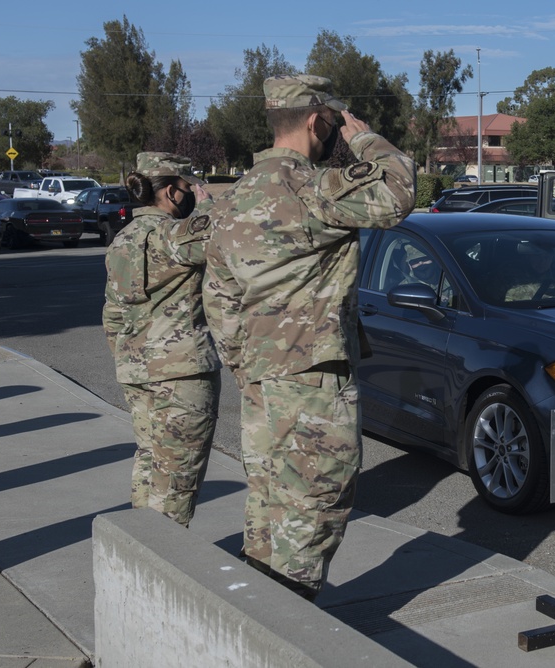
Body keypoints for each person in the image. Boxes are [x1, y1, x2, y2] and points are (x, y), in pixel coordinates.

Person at [202, 74, 416, 600]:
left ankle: (250, 626)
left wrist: (246, 366)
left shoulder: (232, 199)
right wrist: (363, 138)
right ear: (320, 121)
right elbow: (399, 189)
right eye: (333, 123)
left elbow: (219, 298)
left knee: (268, 509)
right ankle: (288, 633)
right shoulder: (311, 187)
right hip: (313, 382)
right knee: (312, 512)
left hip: (260, 382)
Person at [102, 152, 221, 527]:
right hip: (181, 374)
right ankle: (165, 559)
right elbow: (228, 232)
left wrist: (129, 357)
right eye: (187, 188)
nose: (190, 195)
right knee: (177, 478)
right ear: (171, 193)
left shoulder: (122, 240)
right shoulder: (173, 236)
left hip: (136, 370)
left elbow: (112, 313)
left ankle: (141, 548)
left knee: (150, 460)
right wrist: (211, 205)